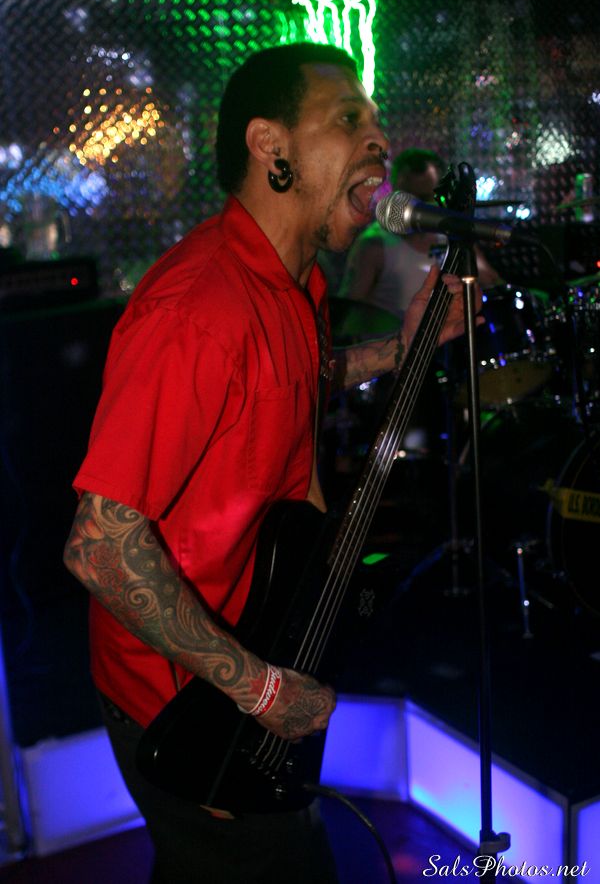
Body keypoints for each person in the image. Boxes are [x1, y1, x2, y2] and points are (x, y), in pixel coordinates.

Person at [63, 43, 474, 884]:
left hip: (251, 646)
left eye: (375, 122)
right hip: (186, 698)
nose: (379, 139)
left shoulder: (293, 282)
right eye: (349, 119)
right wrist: (257, 690)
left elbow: (293, 375)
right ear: (270, 146)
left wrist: (398, 349)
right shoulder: (198, 307)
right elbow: (99, 545)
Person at [339, 146, 501, 317]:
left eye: (425, 198)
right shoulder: (374, 244)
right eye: (408, 196)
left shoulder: (451, 233)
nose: (415, 207)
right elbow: (349, 312)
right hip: (396, 334)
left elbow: (492, 281)